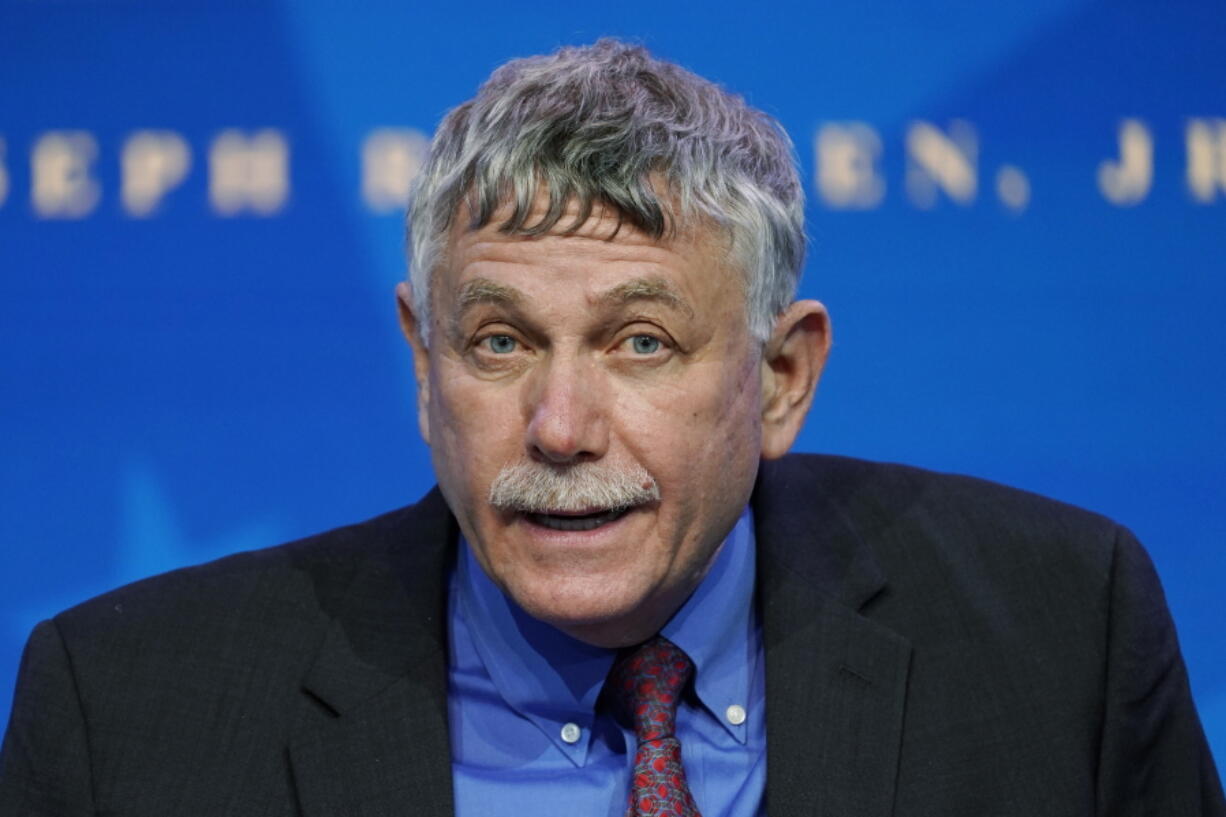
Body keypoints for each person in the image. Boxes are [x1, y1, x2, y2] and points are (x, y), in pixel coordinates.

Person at [1, 38, 1221, 816]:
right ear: (423, 368)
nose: (561, 426)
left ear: (782, 375)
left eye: (640, 342)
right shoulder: (127, 716)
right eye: (498, 342)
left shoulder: (1057, 637)